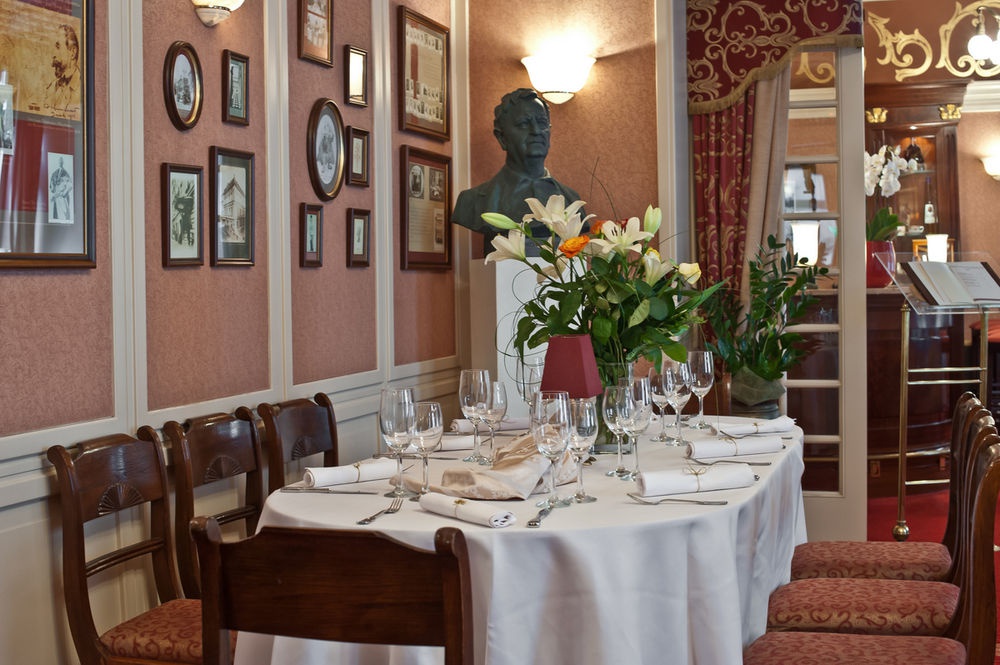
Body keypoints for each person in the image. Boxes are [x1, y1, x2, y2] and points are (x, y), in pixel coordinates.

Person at [452, 88, 584, 254]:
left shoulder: (572, 200)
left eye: (542, 122)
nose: (536, 131)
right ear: (501, 137)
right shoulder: (473, 201)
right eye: (523, 124)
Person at [44, 24, 81, 118]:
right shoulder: (51, 88)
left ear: (73, 52)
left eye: (57, 47)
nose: (53, 55)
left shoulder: (82, 90)